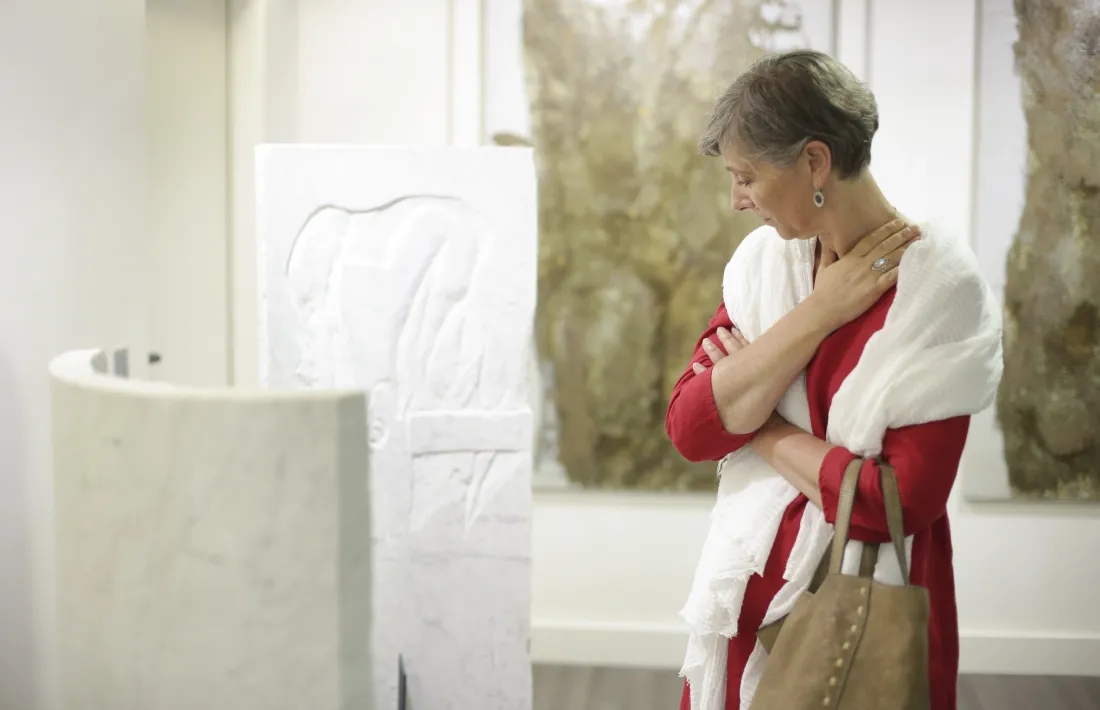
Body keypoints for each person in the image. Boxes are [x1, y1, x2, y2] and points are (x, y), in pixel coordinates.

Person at [667, 50, 1001, 710]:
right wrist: (819, 314)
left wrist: (761, 430)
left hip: (860, 631)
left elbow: (894, 503)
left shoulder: (938, 292)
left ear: (815, 163)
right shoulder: (767, 270)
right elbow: (691, 427)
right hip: (744, 627)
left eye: (746, 177)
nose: (736, 200)